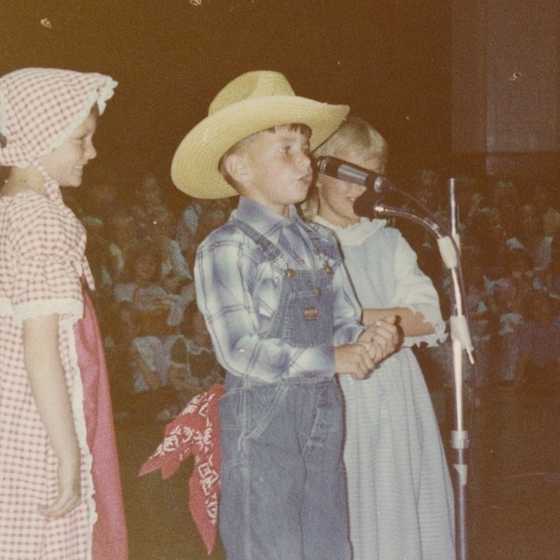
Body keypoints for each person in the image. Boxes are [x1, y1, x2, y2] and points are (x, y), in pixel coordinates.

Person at [171, 70, 399, 560]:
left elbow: (341, 320)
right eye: (285, 150)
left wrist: (366, 339)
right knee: (271, 546)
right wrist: (334, 358)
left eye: (305, 148)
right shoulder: (227, 247)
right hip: (263, 423)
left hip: (322, 415)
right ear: (239, 166)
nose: (306, 162)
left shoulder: (321, 239)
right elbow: (239, 351)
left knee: (327, 544)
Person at [0, 68, 127, 559]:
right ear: (40, 136)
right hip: (39, 418)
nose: (91, 152)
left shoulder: (0, 209)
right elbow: (41, 350)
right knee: (52, 535)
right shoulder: (42, 219)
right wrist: (69, 454)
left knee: (5, 535)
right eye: (81, 139)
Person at [307, 115, 455, 560]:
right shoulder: (305, 240)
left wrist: (352, 315)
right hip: (334, 384)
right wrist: (382, 320)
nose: (361, 191)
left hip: (393, 388)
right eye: (349, 178)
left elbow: (428, 316)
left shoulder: (387, 240)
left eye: (372, 180)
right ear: (317, 172)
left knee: (397, 493)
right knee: (350, 493)